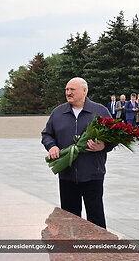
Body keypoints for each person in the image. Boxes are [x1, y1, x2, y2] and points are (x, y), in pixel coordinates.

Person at [42, 77, 113, 229]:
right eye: (67, 89)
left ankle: (100, 250)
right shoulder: (58, 112)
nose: (68, 93)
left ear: (84, 91)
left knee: (95, 216)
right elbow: (47, 134)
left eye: (72, 89)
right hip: (67, 174)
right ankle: (72, 251)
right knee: (69, 218)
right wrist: (52, 146)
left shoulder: (100, 111)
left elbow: (114, 136)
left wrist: (103, 146)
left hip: (93, 173)